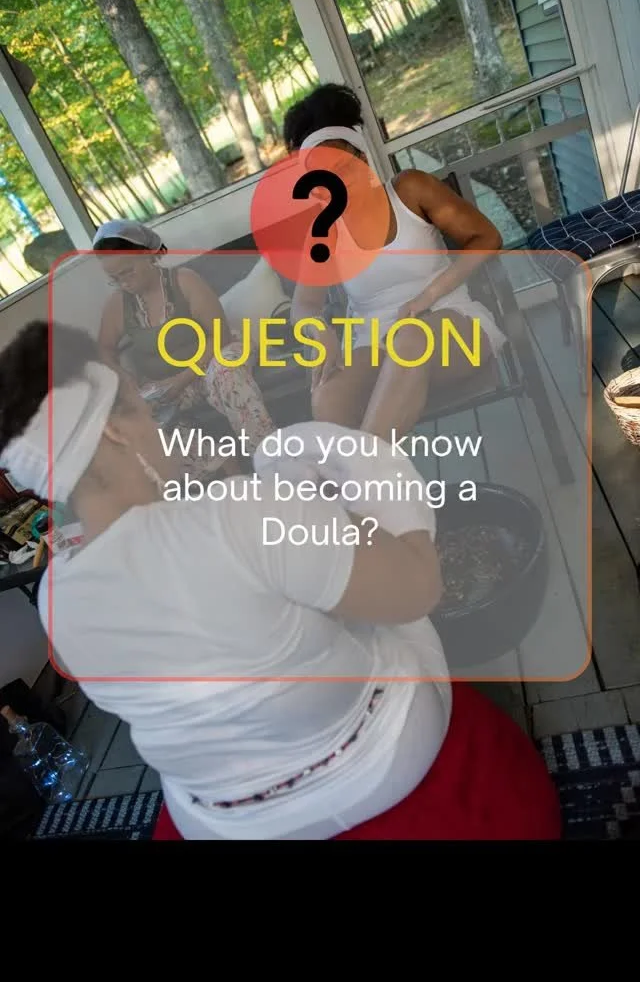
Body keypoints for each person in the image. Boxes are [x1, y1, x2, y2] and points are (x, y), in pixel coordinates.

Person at [0, 319, 562, 842]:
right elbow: (419, 587)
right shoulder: (240, 514)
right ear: (115, 429)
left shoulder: (54, 596)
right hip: (372, 775)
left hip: (217, 820)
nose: (156, 423)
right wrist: (369, 464)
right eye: (142, 407)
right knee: (397, 618)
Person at [285, 84, 506, 440]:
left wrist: (427, 296)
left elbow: (487, 238)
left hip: (450, 324)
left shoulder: (409, 189)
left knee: (412, 338)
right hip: (375, 346)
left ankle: (366, 468)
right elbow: (303, 305)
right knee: (327, 396)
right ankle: (369, 472)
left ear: (361, 156)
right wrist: (319, 332)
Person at [93, 221, 275, 476]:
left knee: (226, 373)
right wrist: (125, 378)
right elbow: (105, 349)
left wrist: (180, 380)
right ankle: (229, 472)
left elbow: (219, 335)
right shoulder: (118, 305)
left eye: (128, 272)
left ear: (146, 255)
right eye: (115, 279)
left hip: (214, 360)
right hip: (170, 386)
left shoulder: (185, 281)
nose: (124, 283)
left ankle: (272, 462)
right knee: (134, 417)